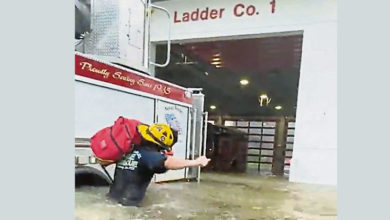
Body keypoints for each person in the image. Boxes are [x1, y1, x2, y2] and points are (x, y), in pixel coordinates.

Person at [108, 123, 210, 206]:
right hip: (128, 207)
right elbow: (168, 162)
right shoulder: (149, 156)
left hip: (111, 200)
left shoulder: (128, 150)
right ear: (160, 146)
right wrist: (196, 162)